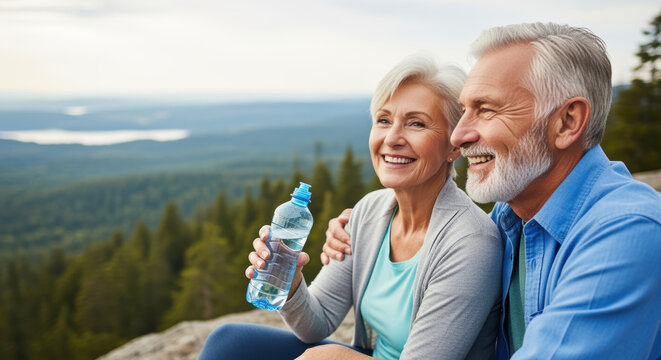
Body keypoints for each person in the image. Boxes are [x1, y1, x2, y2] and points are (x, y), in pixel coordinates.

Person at [323, 22, 661, 359]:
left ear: (567, 122)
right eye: (464, 110)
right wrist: (362, 232)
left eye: (485, 110)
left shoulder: (627, 233)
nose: (458, 136)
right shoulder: (509, 218)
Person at [198, 54, 503, 360]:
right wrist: (290, 285)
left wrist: (333, 357)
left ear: (453, 145)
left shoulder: (471, 242)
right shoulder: (369, 212)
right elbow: (316, 323)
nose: (392, 138)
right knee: (229, 342)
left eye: (416, 123)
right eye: (384, 120)